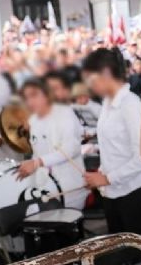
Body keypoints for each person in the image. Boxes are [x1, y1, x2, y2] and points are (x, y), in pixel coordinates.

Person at [81, 48, 141, 235]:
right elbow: (113, 147)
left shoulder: (130, 104)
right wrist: (99, 174)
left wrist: (107, 178)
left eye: (92, 79)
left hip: (134, 192)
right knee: (119, 255)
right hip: (112, 191)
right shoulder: (107, 103)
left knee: (137, 257)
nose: (89, 85)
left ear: (106, 73)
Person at [15, 78, 88, 210]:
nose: (30, 101)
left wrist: (37, 162)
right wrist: (30, 167)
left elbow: (71, 149)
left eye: (34, 95)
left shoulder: (65, 113)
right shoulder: (33, 119)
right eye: (26, 97)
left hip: (69, 188)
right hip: (46, 186)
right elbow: (38, 153)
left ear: (47, 94)